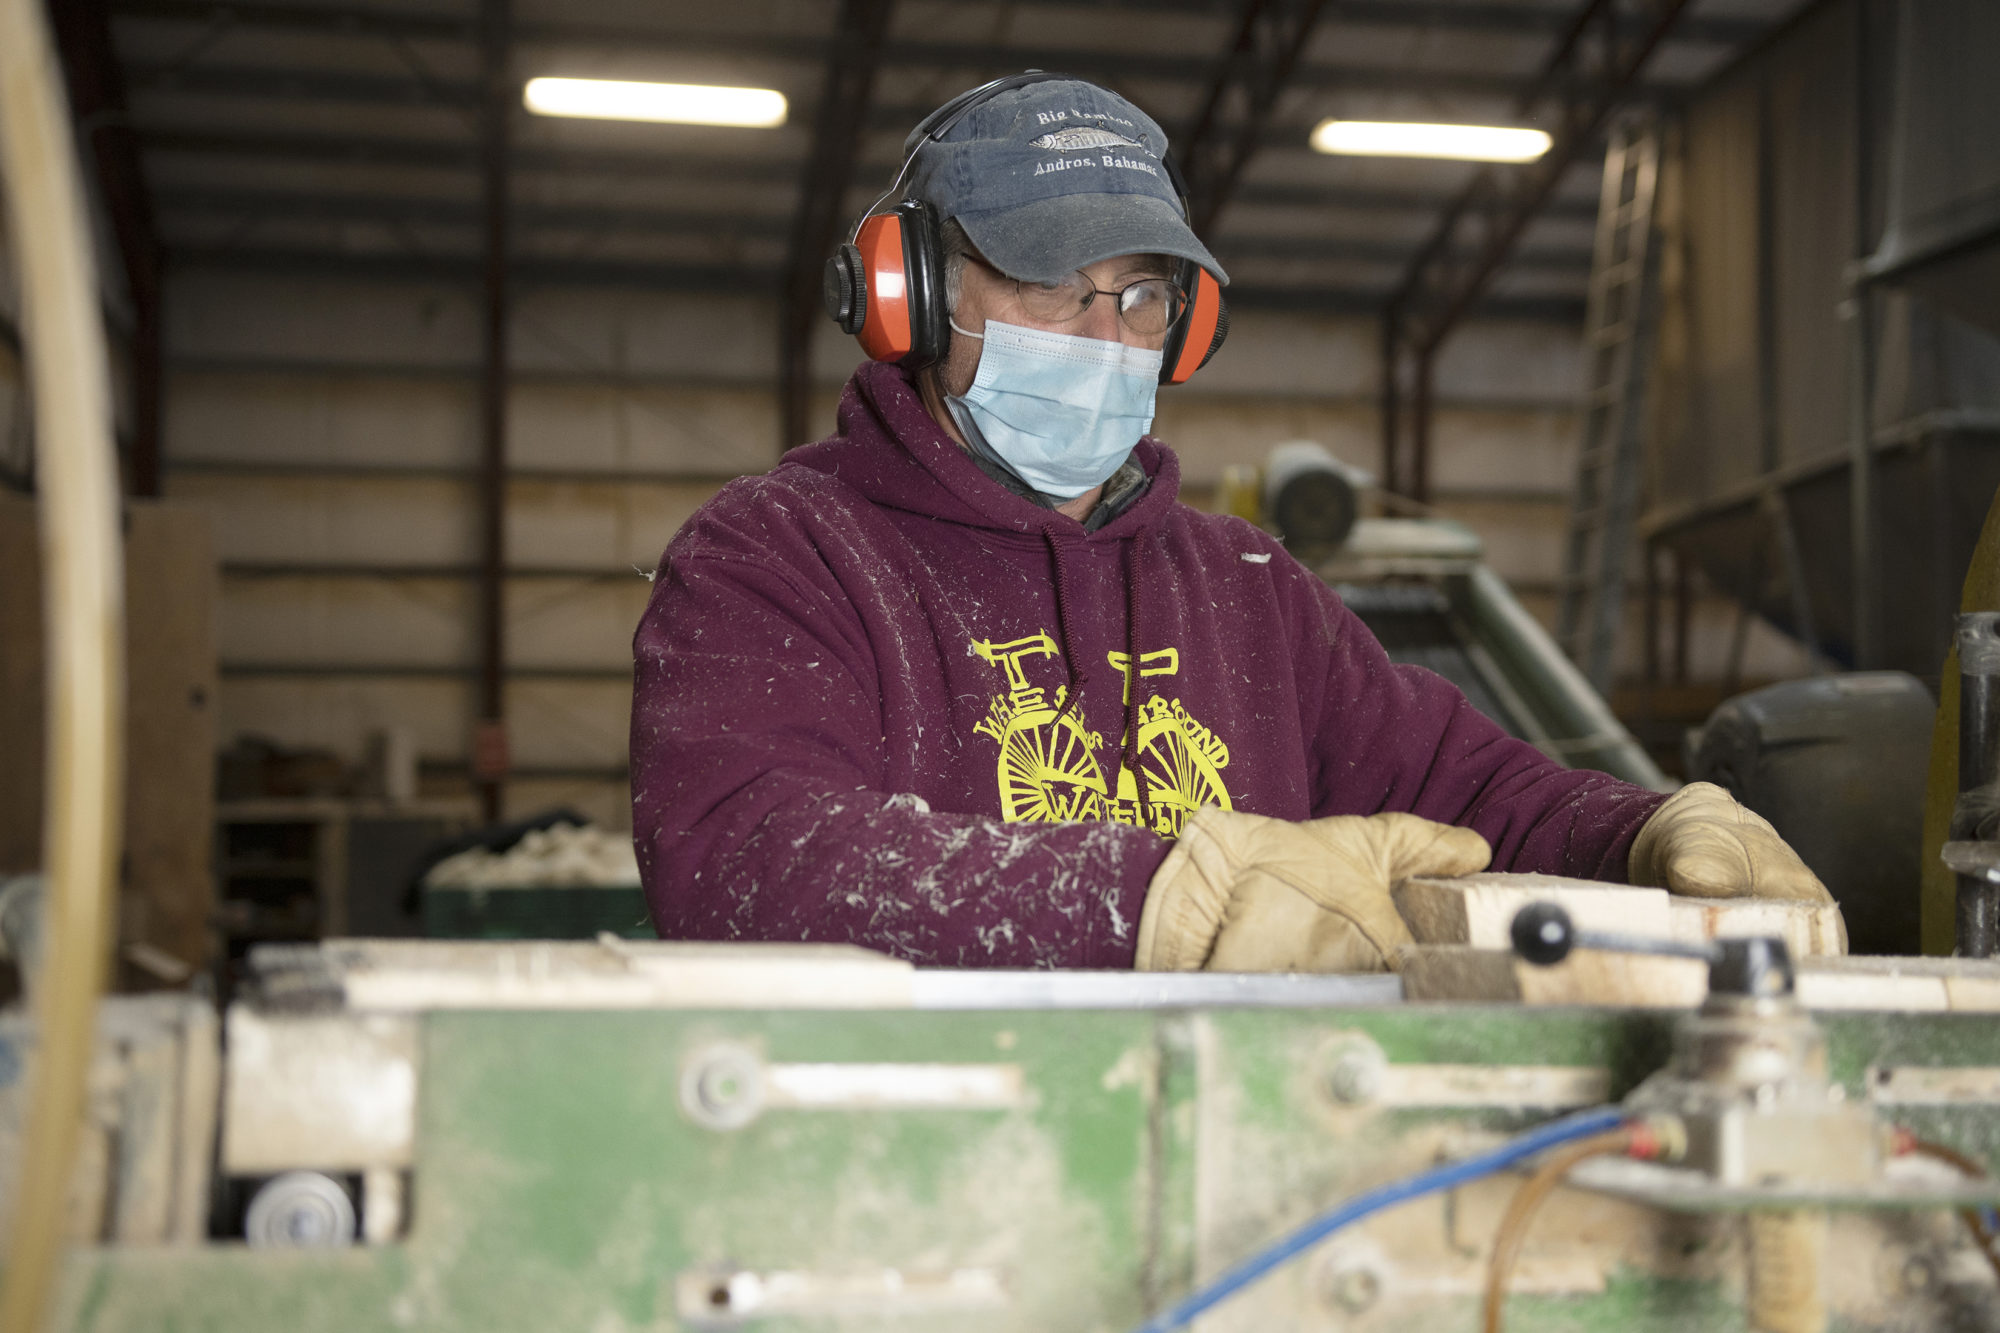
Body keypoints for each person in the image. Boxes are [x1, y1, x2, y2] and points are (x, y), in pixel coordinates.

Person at [629, 74, 1834, 972]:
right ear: (913, 294)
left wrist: (1644, 832)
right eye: (1051, 283)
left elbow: (1469, 790)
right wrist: (1162, 899)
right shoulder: (779, 555)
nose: (1105, 337)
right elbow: (747, 859)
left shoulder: (1244, 583)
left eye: (1140, 294)